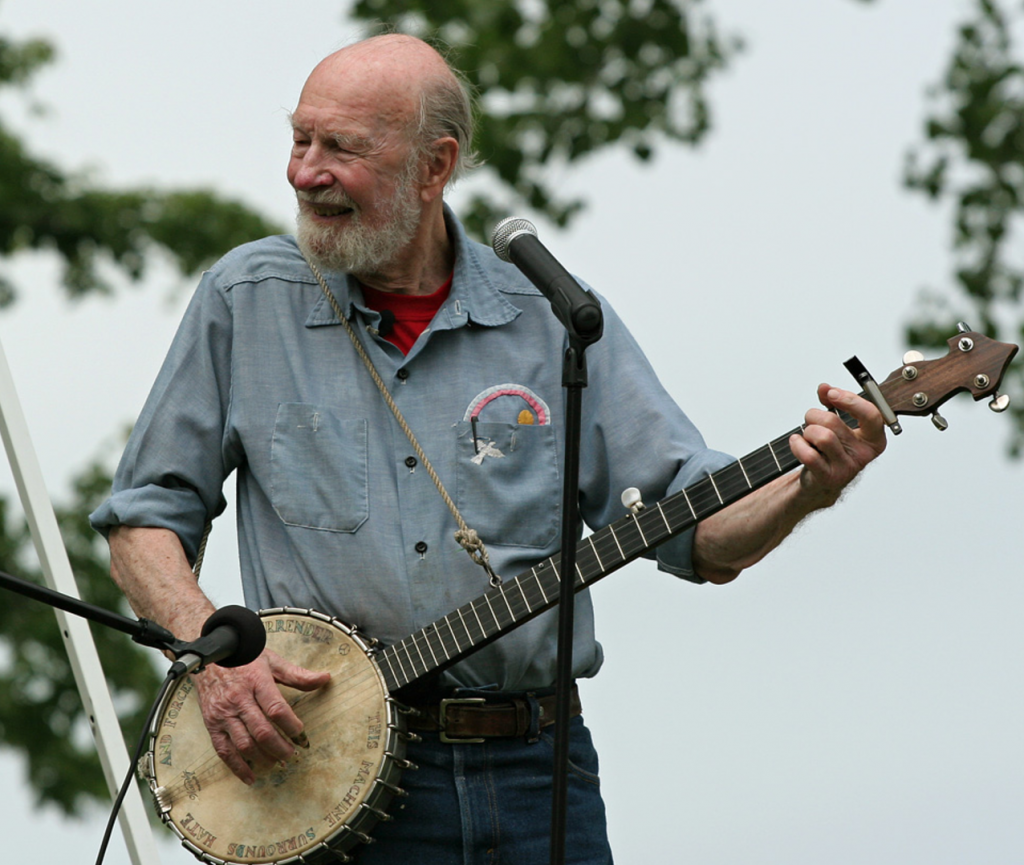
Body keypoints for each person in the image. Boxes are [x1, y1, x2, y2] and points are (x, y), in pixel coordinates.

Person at [91, 34, 886, 864]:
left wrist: (807, 488)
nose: (304, 172)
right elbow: (142, 521)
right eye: (300, 139)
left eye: (341, 148)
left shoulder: (556, 317)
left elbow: (700, 532)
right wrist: (212, 658)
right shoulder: (243, 299)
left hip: (538, 775)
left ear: (435, 166)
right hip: (313, 777)